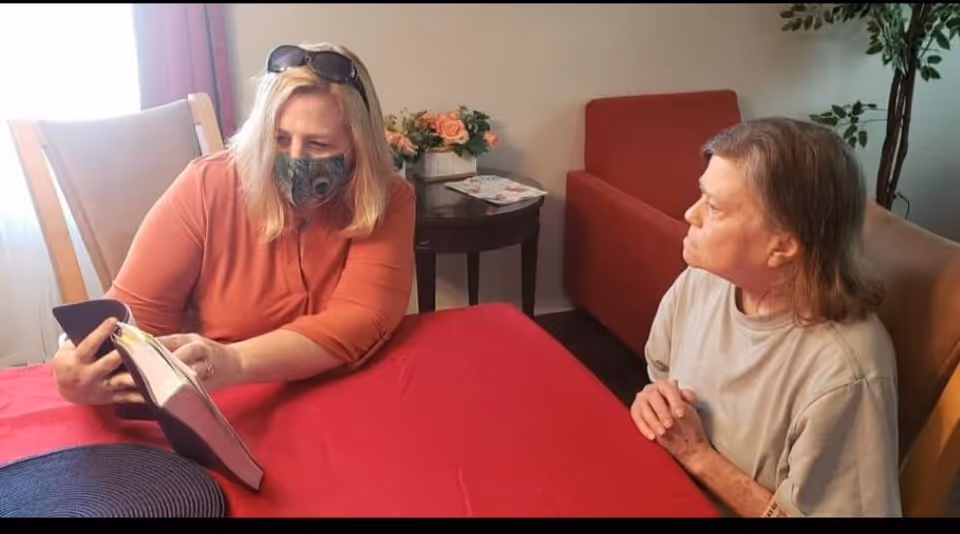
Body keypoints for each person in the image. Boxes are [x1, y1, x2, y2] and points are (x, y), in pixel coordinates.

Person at [51, 42, 415, 406]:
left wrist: (236, 360)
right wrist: (76, 361)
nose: (295, 158)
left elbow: (359, 319)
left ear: (358, 145)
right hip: (229, 405)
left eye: (318, 144)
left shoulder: (388, 197)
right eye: (280, 139)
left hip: (343, 399)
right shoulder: (207, 185)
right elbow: (130, 320)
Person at [630, 117, 901, 517]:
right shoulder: (704, 281)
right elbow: (660, 373)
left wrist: (700, 457)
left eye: (715, 208)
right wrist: (655, 403)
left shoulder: (845, 373)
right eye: (701, 195)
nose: (691, 214)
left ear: (782, 247)